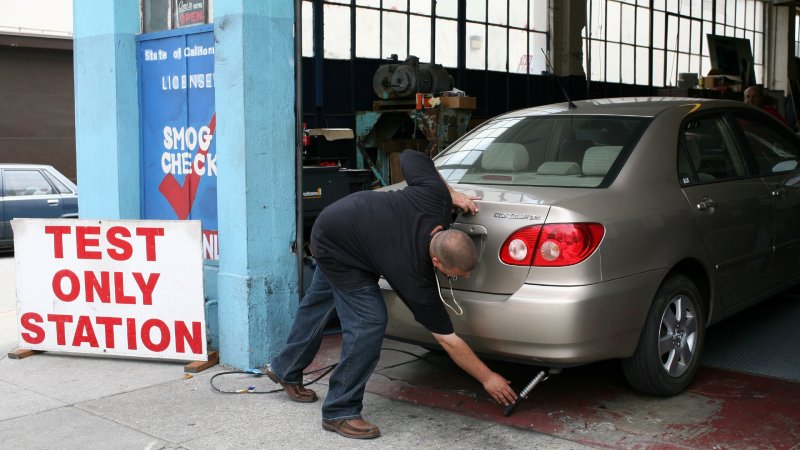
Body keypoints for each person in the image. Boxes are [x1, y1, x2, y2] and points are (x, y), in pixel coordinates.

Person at [264, 150, 517, 440]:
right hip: (337, 245)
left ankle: (285, 367)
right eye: (457, 274)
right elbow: (448, 340)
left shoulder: (436, 197)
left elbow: (411, 156)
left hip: (347, 225)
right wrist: (488, 378)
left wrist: (450, 191)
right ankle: (339, 411)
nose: (465, 277)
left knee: (321, 303)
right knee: (368, 322)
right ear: (436, 262)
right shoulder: (412, 275)